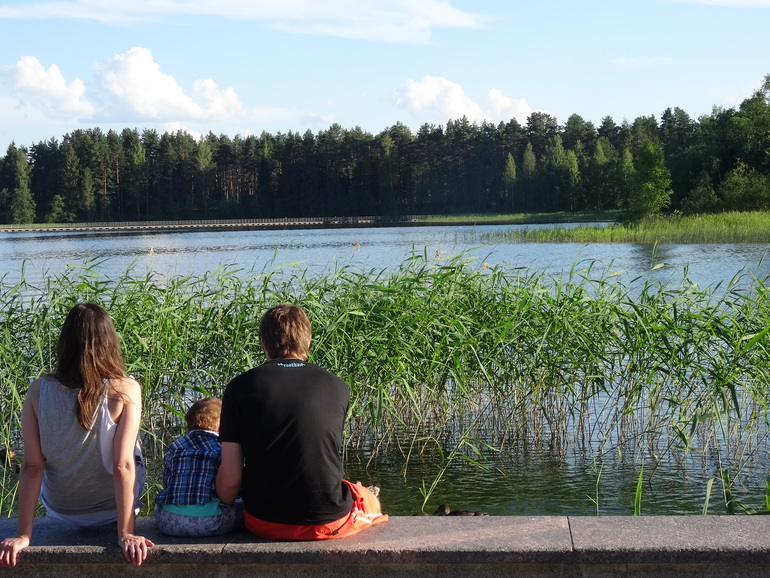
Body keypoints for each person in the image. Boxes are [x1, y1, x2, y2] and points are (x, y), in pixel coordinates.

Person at [216, 304, 387, 540]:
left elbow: (230, 482)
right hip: (328, 521)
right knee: (367, 497)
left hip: (263, 522)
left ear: (263, 343)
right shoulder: (337, 386)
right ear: (308, 341)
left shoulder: (239, 387)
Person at [0, 303, 153, 567]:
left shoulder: (37, 390)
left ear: (65, 344)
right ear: (110, 342)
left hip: (60, 508)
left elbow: (33, 466)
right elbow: (122, 464)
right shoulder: (125, 388)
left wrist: (23, 535)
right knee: (131, 447)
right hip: (110, 508)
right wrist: (126, 534)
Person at [154, 398, 243, 536]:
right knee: (242, 508)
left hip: (167, 521)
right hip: (211, 522)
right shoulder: (222, 448)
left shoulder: (176, 445)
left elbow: (167, 482)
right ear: (222, 425)